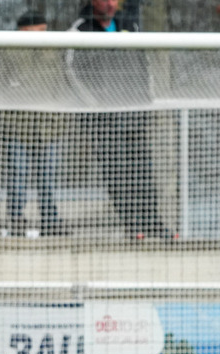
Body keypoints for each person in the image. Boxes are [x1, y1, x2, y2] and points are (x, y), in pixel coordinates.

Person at [69, 0, 174, 240]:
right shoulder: (80, 29)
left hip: (134, 113)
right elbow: (71, 71)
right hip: (103, 119)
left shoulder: (130, 25)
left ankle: (153, 222)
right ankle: (132, 225)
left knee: (144, 170)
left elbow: (143, 64)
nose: (109, 3)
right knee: (116, 172)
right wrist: (95, 104)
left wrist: (146, 97)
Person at [4, 10, 67, 238]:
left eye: (42, 30)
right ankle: (16, 218)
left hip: (50, 126)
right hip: (17, 126)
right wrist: (5, 122)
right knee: (17, 175)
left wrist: (61, 118)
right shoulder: (9, 51)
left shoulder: (54, 51)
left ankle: (50, 219)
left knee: (48, 177)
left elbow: (62, 84)